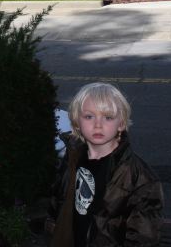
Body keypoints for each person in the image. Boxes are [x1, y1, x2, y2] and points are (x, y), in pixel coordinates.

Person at [47, 83, 163, 247]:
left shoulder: (140, 178)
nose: (98, 125)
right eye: (89, 116)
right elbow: (58, 200)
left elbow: (143, 238)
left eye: (108, 117)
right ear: (76, 122)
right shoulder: (72, 156)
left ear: (121, 123)